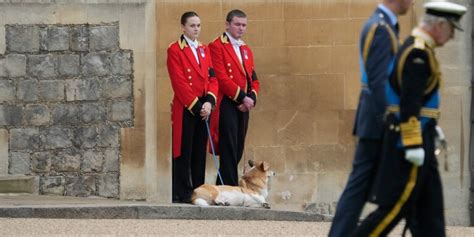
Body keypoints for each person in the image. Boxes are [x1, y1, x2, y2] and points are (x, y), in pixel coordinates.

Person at [353, 1, 466, 236]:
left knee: (430, 212)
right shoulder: (418, 52)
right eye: (451, 29)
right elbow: (409, 102)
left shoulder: (421, 49)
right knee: (395, 208)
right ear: (440, 25)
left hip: (421, 135)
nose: (452, 36)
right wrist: (414, 142)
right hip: (410, 142)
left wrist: (432, 126)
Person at [329, 1, 413, 236]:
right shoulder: (381, 28)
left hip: (373, 120)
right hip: (377, 122)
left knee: (360, 188)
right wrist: (389, 118)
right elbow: (377, 81)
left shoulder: (383, 25)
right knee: (360, 188)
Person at [167, 11, 218, 203]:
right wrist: (198, 106)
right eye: (192, 25)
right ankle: (182, 194)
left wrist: (209, 102)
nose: (196, 29)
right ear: (183, 27)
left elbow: (212, 78)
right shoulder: (175, 50)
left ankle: (198, 192)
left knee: (199, 152)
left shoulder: (204, 49)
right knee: (184, 152)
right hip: (186, 109)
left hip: (203, 107)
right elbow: (179, 82)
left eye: (198, 25)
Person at [208, 9, 260, 186]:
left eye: (244, 25)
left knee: (238, 148)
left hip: (244, 105)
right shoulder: (216, 46)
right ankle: (230, 188)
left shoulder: (245, 49)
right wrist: (242, 98)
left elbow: (252, 77)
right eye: (237, 24)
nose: (241, 28)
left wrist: (251, 97)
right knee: (228, 148)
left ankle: (222, 187)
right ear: (227, 24)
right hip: (227, 103)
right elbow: (221, 78)